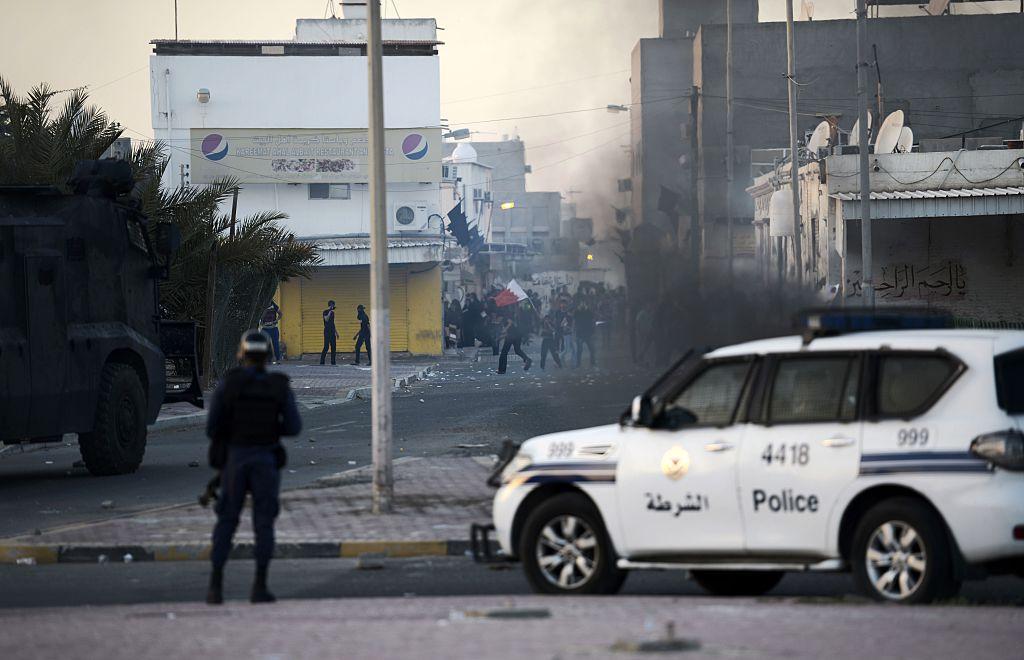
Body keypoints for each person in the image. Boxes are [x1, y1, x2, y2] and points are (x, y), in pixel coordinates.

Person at [205, 330, 302, 605]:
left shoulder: (229, 384)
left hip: (235, 460)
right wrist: (271, 429)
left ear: (242, 354)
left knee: (227, 520)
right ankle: (259, 586)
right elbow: (294, 427)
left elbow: (213, 427)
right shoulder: (279, 386)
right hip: (266, 460)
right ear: (268, 356)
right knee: (264, 523)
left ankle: (215, 585)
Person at [574, 299, 597, 368]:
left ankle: (592, 363)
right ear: (579, 304)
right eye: (581, 303)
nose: (583, 304)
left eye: (584, 303)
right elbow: (575, 322)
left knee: (592, 349)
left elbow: (593, 321)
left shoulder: (589, 312)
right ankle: (578, 363)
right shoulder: (577, 312)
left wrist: (593, 332)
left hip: (588, 333)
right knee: (579, 350)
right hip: (580, 334)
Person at [320, 300, 338, 365]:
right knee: (326, 347)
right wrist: (330, 311)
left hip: (332, 331)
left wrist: (336, 332)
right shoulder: (325, 312)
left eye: (333, 305)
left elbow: (332, 323)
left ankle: (333, 362)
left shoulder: (333, 313)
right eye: (332, 305)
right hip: (327, 331)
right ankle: (322, 362)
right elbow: (326, 319)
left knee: (333, 347)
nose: (333, 306)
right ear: (329, 305)